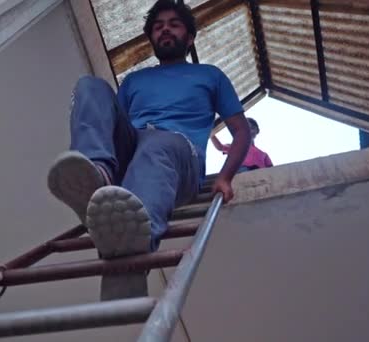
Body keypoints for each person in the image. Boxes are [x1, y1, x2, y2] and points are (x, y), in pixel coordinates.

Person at [47, 0, 250, 300]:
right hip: (137, 150)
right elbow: (114, 125)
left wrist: (225, 176)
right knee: (91, 86)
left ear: (190, 38)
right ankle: (98, 176)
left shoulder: (210, 75)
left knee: (157, 144)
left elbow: (242, 132)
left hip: (179, 154)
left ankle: (135, 248)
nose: (165, 29)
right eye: (158, 26)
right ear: (152, 38)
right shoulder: (134, 80)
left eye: (174, 24)